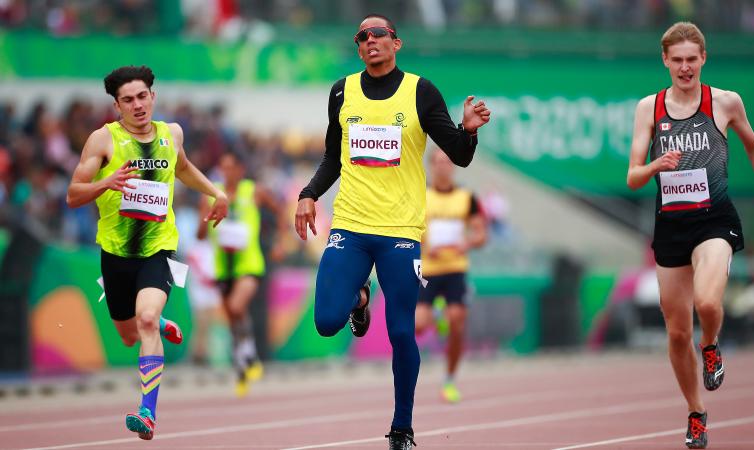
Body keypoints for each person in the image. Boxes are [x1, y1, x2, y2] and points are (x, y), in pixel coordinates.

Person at [294, 13, 490, 450]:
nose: (370, 40)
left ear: (396, 43)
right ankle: (359, 297)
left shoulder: (420, 91)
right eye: (362, 36)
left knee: (401, 332)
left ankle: (402, 427)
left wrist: (468, 132)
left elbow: (458, 155)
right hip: (350, 223)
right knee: (327, 321)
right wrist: (309, 194)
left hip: (400, 230)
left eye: (378, 33)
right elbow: (333, 157)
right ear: (358, 47)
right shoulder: (341, 91)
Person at [626, 22, 754, 449]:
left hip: (714, 218)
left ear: (703, 59)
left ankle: (712, 344)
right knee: (677, 333)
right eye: (676, 60)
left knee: (708, 302)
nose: (684, 68)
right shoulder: (650, 108)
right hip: (671, 227)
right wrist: (655, 167)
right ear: (665, 60)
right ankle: (696, 412)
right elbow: (632, 176)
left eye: (691, 59)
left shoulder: (725, 102)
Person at [66, 65, 228, 440]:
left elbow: (183, 167)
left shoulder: (172, 134)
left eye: (143, 96)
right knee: (128, 335)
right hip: (116, 253)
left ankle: (147, 412)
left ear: (153, 96)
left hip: (160, 249)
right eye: (128, 100)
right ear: (116, 105)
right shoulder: (102, 140)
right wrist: (108, 181)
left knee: (146, 320)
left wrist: (215, 193)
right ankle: (158, 324)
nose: (137, 105)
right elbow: (73, 194)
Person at [197, 151, 284, 397]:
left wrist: (279, 241)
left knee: (237, 307)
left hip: (249, 263)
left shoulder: (253, 191)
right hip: (223, 265)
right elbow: (200, 235)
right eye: (222, 168)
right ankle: (243, 368)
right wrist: (206, 218)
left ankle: (251, 357)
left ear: (240, 170)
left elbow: (279, 211)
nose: (226, 173)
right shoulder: (210, 193)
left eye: (230, 168)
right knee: (234, 319)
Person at [415, 148, 487, 404]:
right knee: (418, 325)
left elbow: (480, 234)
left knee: (457, 322)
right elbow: (408, 231)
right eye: (438, 162)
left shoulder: (467, 198)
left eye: (447, 161)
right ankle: (436, 315)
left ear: (454, 166)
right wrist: (425, 247)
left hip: (456, 268)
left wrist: (464, 245)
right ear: (431, 166)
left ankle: (450, 379)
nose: (443, 166)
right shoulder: (420, 197)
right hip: (429, 270)